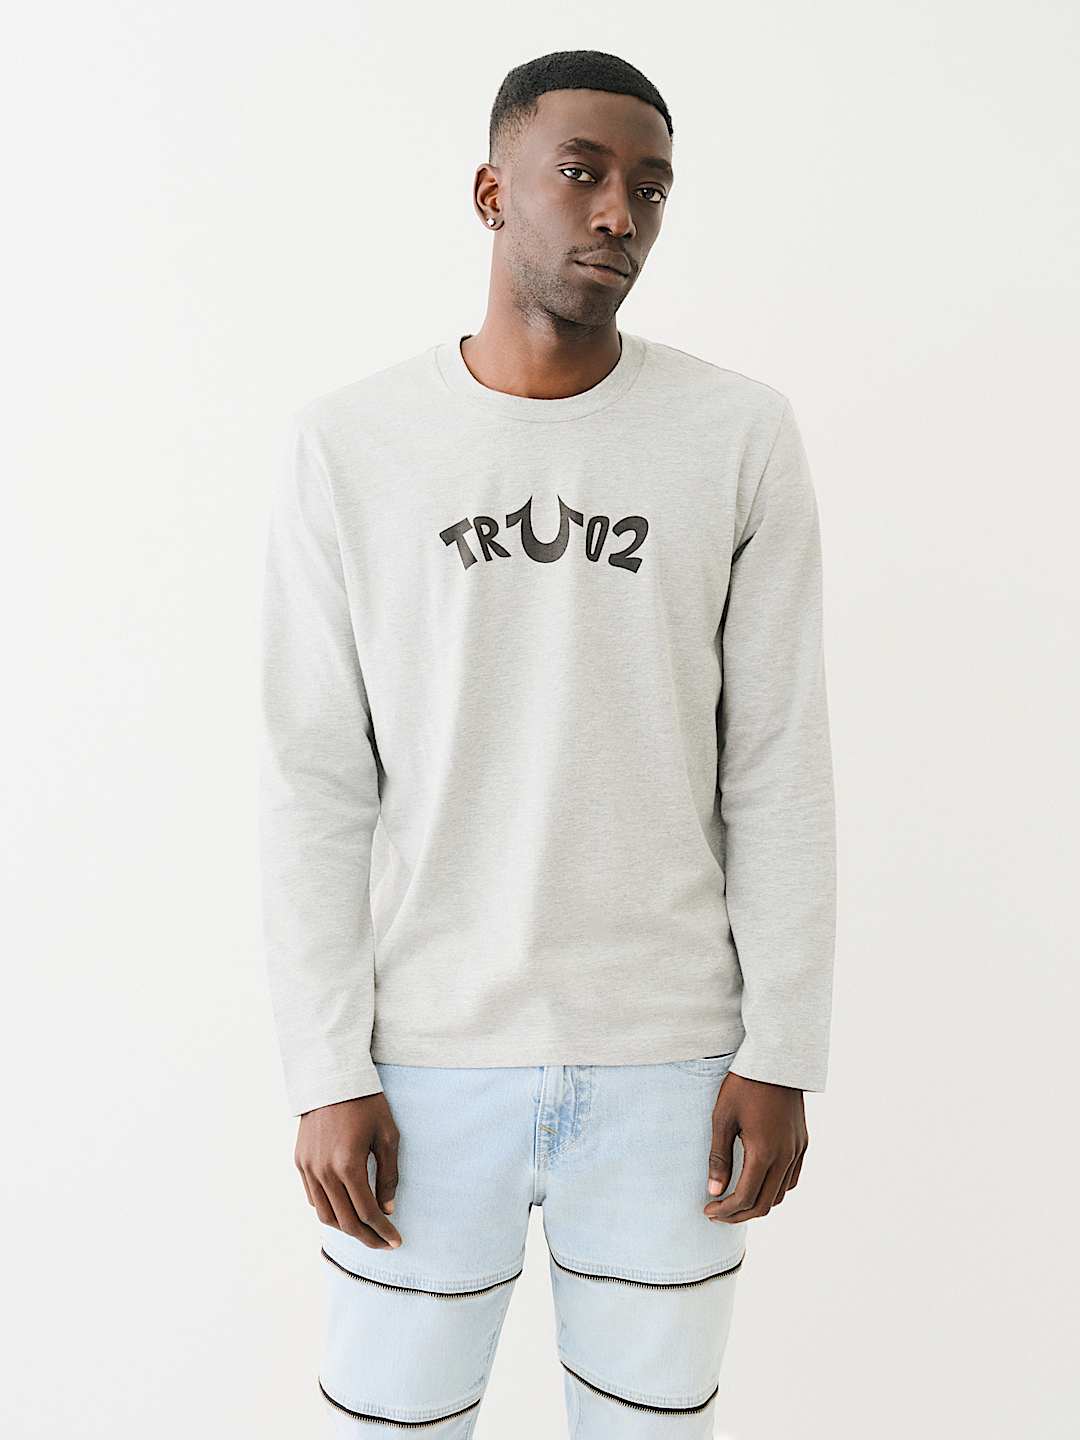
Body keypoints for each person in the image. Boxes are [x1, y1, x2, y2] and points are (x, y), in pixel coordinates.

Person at [258, 47, 837, 1438]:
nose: (619, 213)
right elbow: (315, 779)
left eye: (650, 187)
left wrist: (784, 1046)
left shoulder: (738, 435)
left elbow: (776, 759)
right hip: (422, 1061)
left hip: (674, 1062)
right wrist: (326, 1069)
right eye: (581, 173)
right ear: (491, 191)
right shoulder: (352, 444)